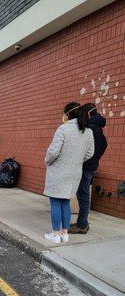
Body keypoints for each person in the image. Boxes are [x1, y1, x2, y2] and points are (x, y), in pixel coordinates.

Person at [44, 102, 94, 244]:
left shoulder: (63, 129)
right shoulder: (88, 131)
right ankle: (65, 234)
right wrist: (76, 161)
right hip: (75, 172)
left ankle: (55, 234)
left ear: (68, 114)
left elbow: (53, 152)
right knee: (65, 202)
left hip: (59, 171)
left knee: (55, 202)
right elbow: (90, 153)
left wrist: (48, 161)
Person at [70, 103, 107, 234]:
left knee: (83, 195)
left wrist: (88, 159)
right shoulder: (98, 128)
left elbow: (85, 149)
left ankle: (82, 225)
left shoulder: (91, 128)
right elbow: (104, 145)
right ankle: (82, 222)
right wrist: (96, 158)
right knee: (83, 194)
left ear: (88, 113)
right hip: (91, 166)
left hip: (86, 166)